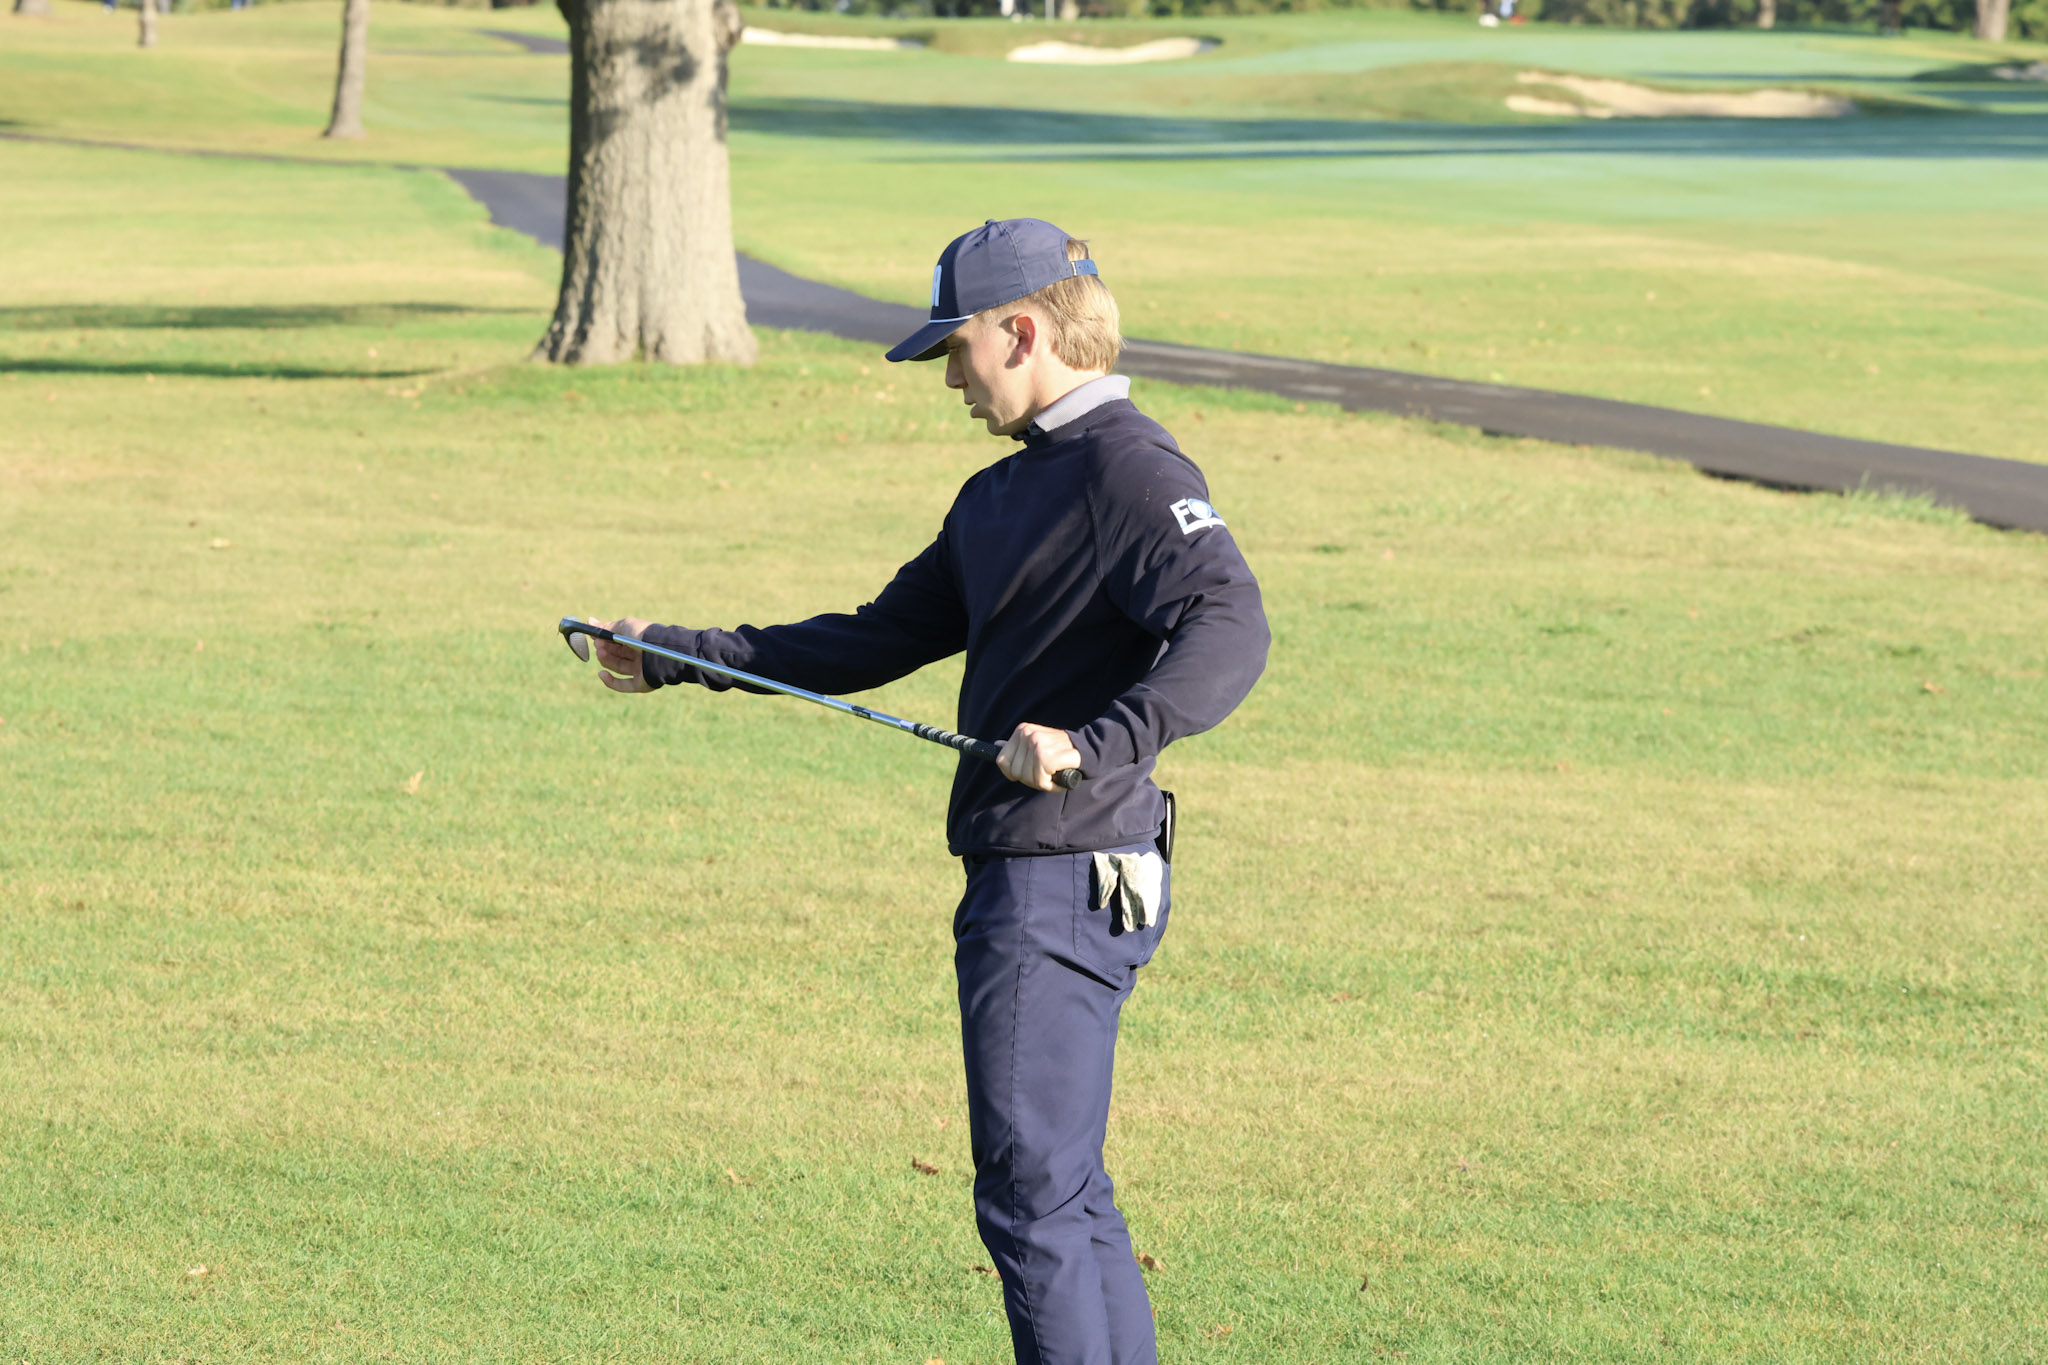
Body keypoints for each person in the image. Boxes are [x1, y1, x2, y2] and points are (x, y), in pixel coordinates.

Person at [587, 218, 1269, 1365]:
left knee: (1030, 1196)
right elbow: (872, 638)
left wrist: (1095, 741)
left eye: (956, 348)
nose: (949, 376)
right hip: (1038, 871)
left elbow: (1230, 625)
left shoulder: (1127, 469)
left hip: (1058, 876)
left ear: (1022, 332)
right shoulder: (999, 496)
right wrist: (676, 653)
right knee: (1061, 1187)